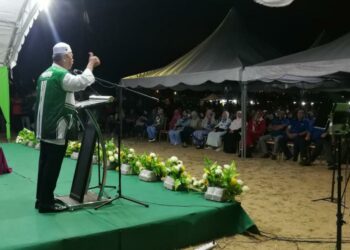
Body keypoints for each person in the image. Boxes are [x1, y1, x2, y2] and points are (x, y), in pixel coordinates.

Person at [35, 42, 100, 213]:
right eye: (71, 57)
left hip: (45, 126)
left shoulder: (45, 74)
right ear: (64, 57)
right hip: (57, 127)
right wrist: (90, 64)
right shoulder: (60, 74)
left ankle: (41, 198)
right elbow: (81, 82)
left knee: (44, 164)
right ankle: (46, 204)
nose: (73, 60)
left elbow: (58, 98)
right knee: (52, 166)